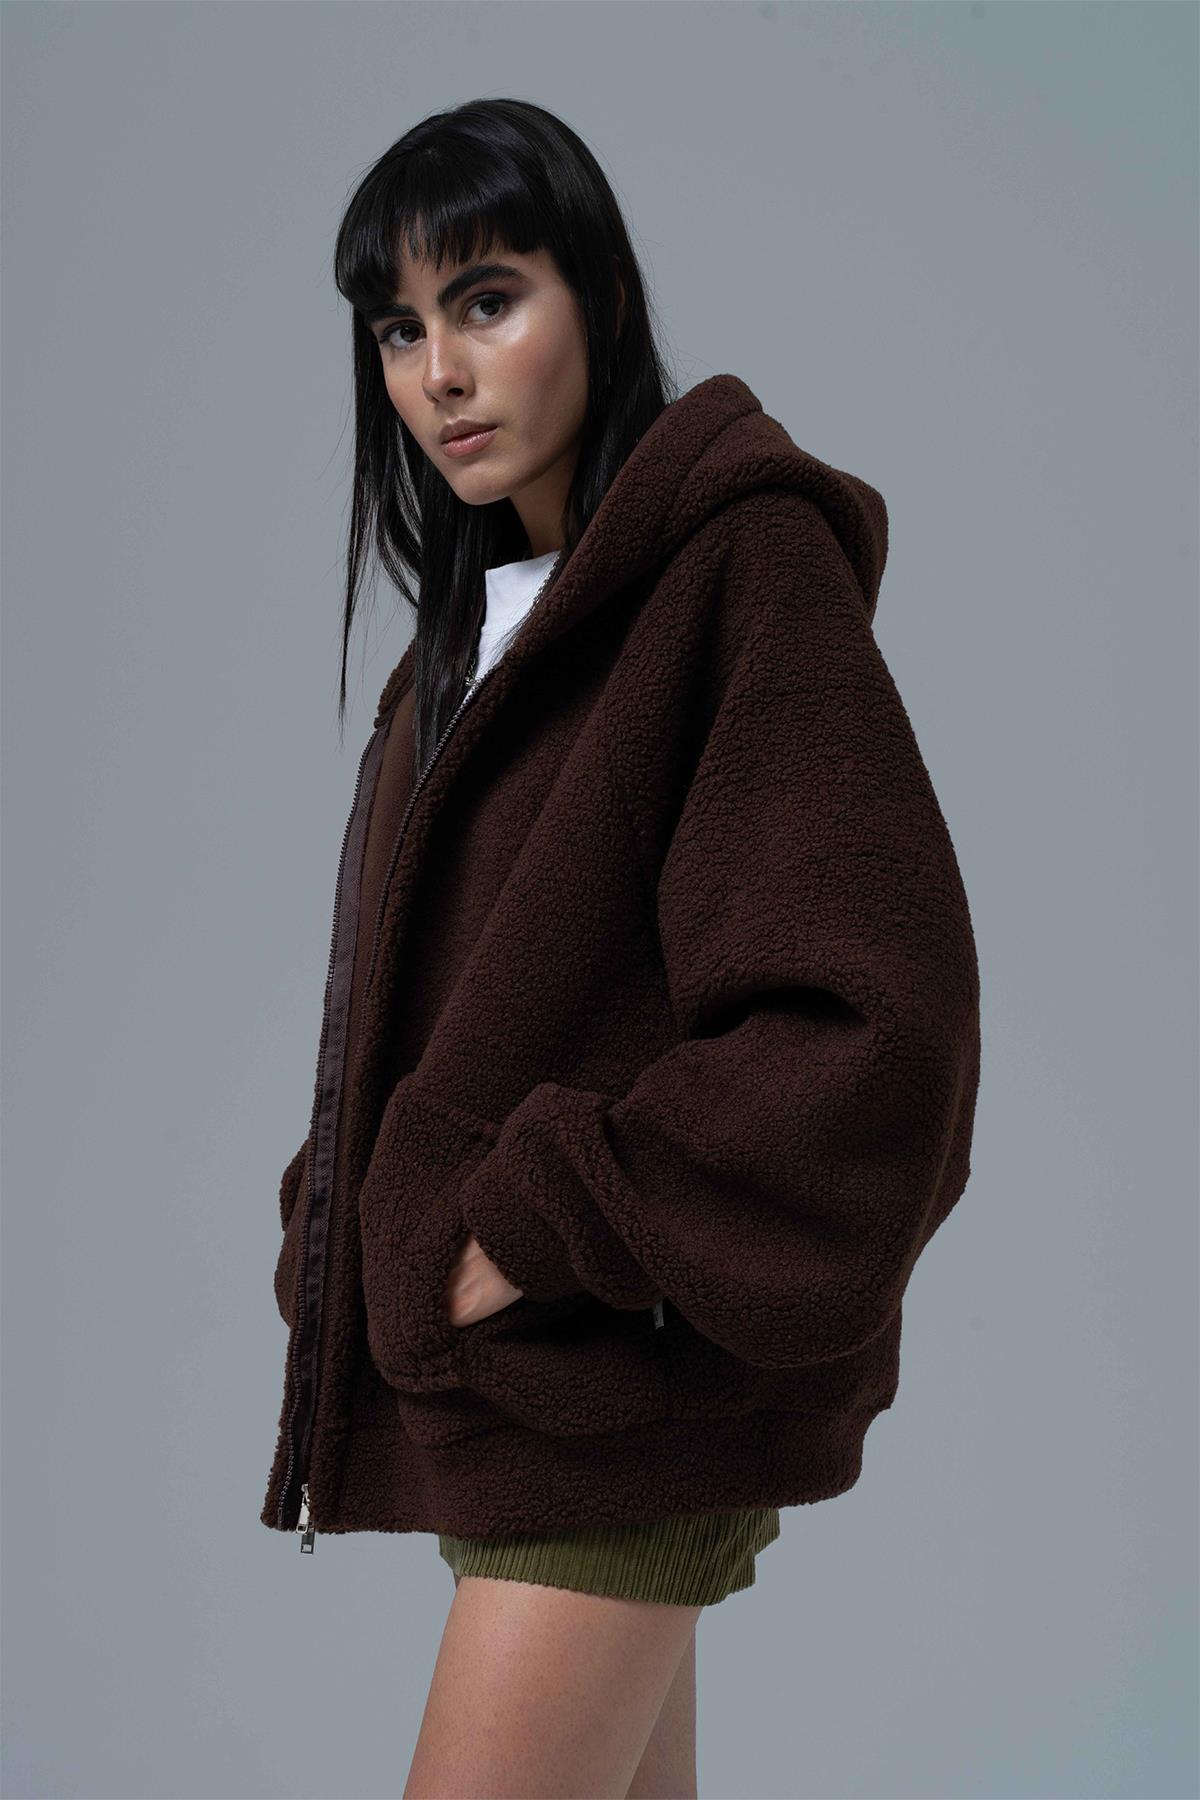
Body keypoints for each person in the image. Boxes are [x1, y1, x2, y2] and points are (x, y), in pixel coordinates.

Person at [261, 97, 981, 1800]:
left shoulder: (736, 573)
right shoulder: (462, 657)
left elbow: (874, 1019)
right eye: (399, 329)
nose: (441, 372)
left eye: (487, 299)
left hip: (625, 1403)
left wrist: (535, 1222)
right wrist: (348, 1234)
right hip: (529, 1407)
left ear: (603, 296)